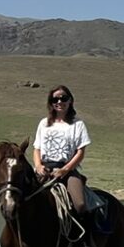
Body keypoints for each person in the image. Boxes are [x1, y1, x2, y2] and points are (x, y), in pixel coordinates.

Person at [32, 86, 90, 215]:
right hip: (44, 169)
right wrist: (38, 166)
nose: (59, 102)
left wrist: (64, 170)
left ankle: (85, 228)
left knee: (80, 204)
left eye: (63, 98)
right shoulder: (44, 123)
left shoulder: (78, 124)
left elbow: (80, 152)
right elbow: (37, 148)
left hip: (67, 170)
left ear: (70, 101)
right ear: (51, 102)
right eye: (55, 99)